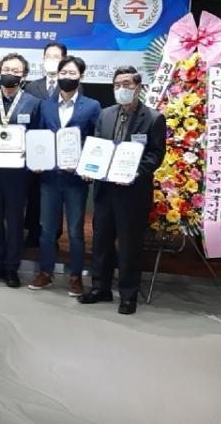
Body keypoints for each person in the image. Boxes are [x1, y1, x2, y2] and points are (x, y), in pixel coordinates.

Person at [78, 66, 166, 315]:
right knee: (101, 241)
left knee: (129, 245)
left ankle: (128, 295)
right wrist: (89, 167)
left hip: (132, 192)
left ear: (138, 87)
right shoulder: (105, 114)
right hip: (105, 190)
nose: (121, 89)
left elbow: (156, 154)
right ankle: (100, 288)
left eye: (127, 84)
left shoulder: (153, 118)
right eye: (117, 85)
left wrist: (136, 172)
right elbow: (97, 147)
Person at [28, 56, 101, 296]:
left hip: (75, 179)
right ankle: (45, 272)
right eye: (63, 73)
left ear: (81, 76)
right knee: (47, 229)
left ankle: (75, 276)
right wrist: (36, 161)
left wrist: (86, 166)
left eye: (72, 73)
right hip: (49, 177)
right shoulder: (45, 105)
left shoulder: (92, 106)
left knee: (76, 231)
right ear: (57, 75)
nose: (67, 77)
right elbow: (37, 135)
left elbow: (96, 139)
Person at [0, 54, 40, 288]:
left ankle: (12, 267)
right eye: (6, 69)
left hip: (19, 172)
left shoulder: (33, 103)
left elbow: (37, 136)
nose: (9, 74)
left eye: (15, 71)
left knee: (15, 220)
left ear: (24, 76)